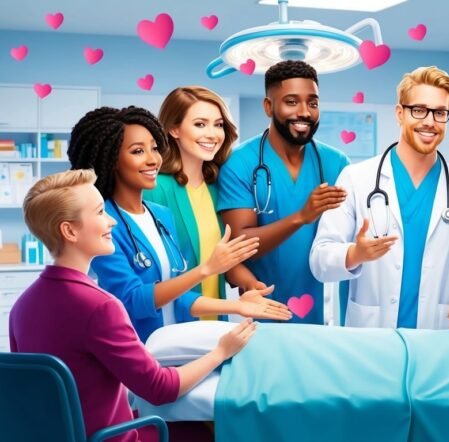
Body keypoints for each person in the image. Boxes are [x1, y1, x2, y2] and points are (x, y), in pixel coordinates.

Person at [10, 169, 257, 441]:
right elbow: (161, 389)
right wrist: (220, 352)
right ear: (69, 231)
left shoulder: (22, 306)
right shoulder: (100, 306)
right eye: (100, 213)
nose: (112, 223)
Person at [68, 106, 292, 342]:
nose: (153, 159)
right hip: (138, 348)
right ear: (110, 158)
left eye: (154, 148)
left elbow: (177, 296)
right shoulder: (103, 224)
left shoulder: (161, 215)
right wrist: (206, 269)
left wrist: (237, 306)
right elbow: (133, 300)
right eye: (137, 151)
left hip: (176, 346)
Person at [309, 66, 449, 329]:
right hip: (371, 334)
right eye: (419, 110)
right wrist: (354, 253)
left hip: (437, 331)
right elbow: (320, 260)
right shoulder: (357, 179)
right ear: (399, 114)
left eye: (440, 113)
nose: (429, 121)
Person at [218, 60, 350, 325]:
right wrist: (302, 216)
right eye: (291, 101)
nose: (304, 112)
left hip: (323, 317)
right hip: (260, 314)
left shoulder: (335, 164)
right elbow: (241, 245)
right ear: (269, 106)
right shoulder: (240, 163)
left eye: (313, 103)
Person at [145, 86, 270, 321]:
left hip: (214, 327)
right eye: (200, 124)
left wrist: (250, 284)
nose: (213, 134)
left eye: (218, 124)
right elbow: (154, 279)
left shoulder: (218, 188)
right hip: (172, 326)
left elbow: (220, 260)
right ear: (174, 129)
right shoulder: (155, 190)